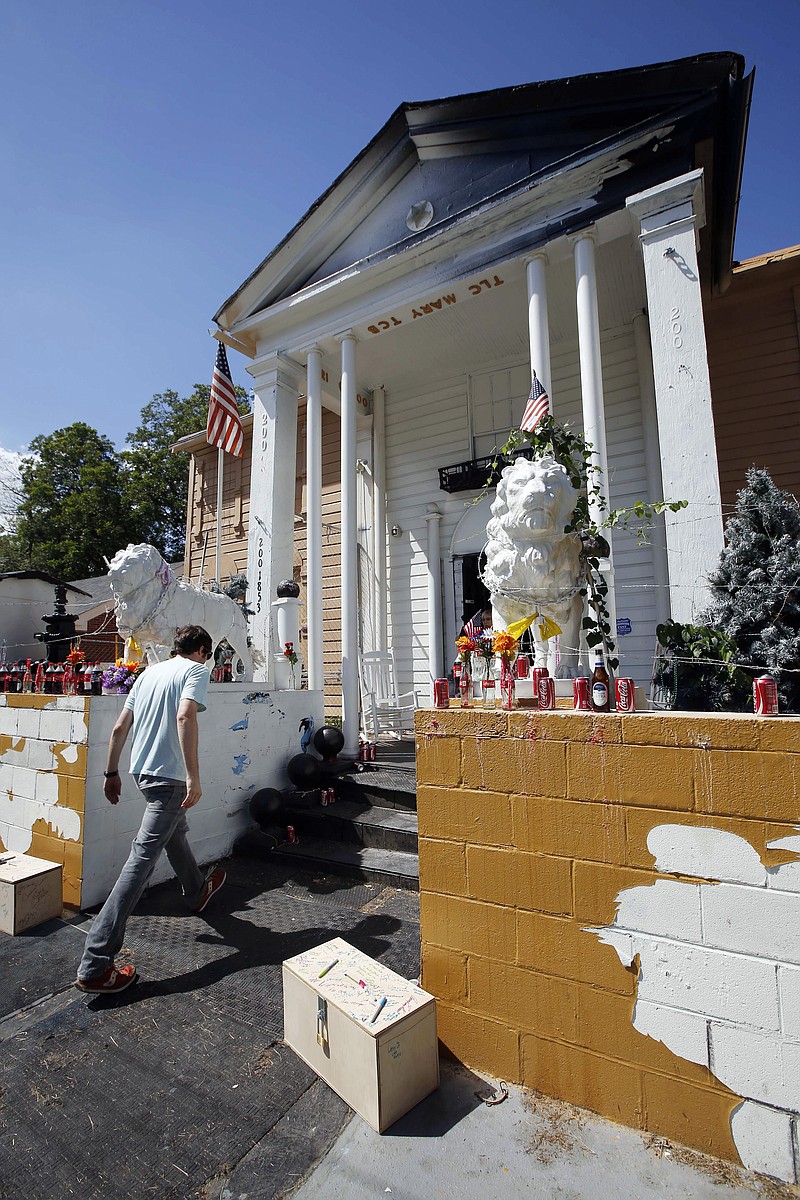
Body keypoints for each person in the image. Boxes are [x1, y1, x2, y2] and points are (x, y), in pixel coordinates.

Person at [75, 625, 226, 995]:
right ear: (202, 650)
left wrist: (111, 772)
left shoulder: (146, 673)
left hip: (142, 773)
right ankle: (95, 964)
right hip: (171, 778)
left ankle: (196, 890)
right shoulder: (196, 670)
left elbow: (118, 727)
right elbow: (185, 716)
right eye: (208, 653)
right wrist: (194, 777)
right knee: (140, 863)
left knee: (173, 832)